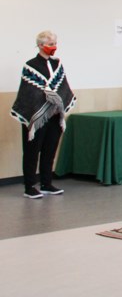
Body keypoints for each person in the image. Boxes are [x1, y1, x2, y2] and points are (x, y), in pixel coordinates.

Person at [12, 30, 76, 199]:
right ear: (40, 45)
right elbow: (29, 92)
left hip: (55, 115)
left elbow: (63, 87)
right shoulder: (31, 65)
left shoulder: (57, 65)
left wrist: (57, 99)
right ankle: (29, 186)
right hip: (37, 116)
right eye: (50, 44)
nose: (54, 47)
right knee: (32, 151)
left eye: (55, 43)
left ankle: (46, 183)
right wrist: (48, 96)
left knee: (50, 149)